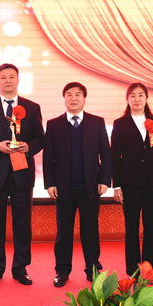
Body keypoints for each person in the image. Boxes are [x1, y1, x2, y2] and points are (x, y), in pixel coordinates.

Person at [0, 63, 44, 286]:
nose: (8, 81)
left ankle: (21, 268)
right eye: (3, 77)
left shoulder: (32, 107)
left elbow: (40, 138)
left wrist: (29, 147)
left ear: (18, 80)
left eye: (12, 77)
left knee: (23, 224)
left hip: (22, 175)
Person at [43, 82, 111, 287]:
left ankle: (93, 270)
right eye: (69, 95)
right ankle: (62, 271)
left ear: (84, 99)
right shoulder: (53, 124)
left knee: (90, 231)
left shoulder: (97, 122)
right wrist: (49, 183)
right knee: (64, 232)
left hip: (90, 187)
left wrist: (104, 180)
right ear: (64, 99)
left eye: (78, 94)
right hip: (63, 188)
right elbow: (48, 157)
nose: (73, 98)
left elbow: (106, 154)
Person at [111, 83, 153, 275]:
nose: (137, 99)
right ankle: (133, 270)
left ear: (146, 98)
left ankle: (150, 269)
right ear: (127, 99)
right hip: (129, 183)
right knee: (132, 228)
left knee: (151, 227)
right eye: (133, 96)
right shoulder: (120, 124)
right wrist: (116, 185)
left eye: (140, 95)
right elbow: (115, 156)